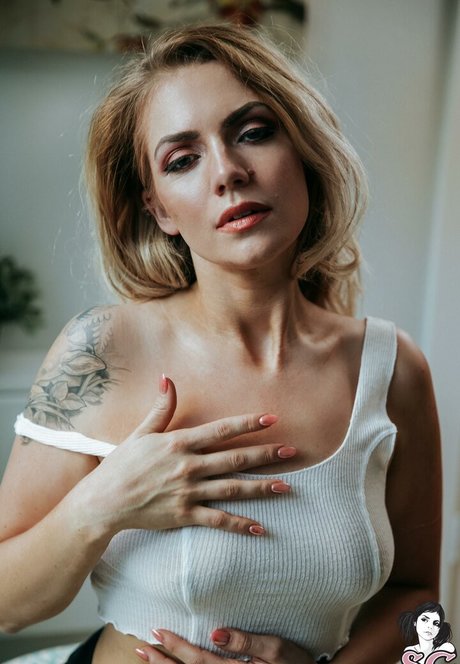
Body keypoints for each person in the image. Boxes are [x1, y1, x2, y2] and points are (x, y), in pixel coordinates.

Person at [0, 22, 442, 664]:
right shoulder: (100, 349)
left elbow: (425, 612)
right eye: (183, 160)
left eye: (253, 132)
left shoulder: (393, 370)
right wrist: (104, 504)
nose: (229, 172)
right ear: (159, 209)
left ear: (303, 152)